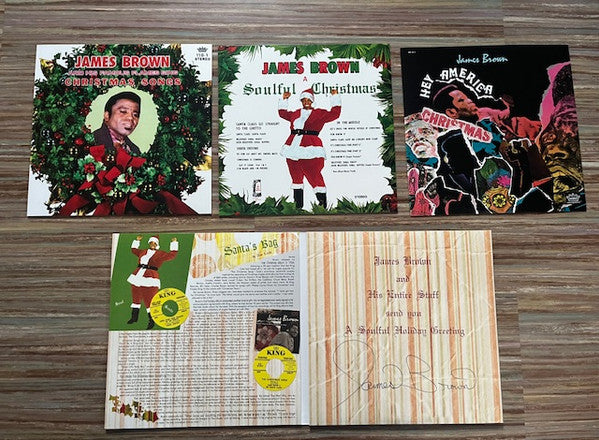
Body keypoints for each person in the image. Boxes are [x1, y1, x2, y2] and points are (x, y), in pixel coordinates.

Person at [279, 87, 341, 209]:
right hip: (292, 147)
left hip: (311, 146)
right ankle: (297, 206)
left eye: (308, 100)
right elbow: (283, 114)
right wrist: (284, 99)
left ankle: (322, 206)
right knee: (295, 175)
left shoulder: (319, 113)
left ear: (312, 101)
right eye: (303, 100)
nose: (306, 102)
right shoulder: (296, 113)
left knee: (314, 174)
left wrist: (335, 97)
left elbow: (335, 114)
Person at [126, 235, 178, 329]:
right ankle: (134, 317)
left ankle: (152, 320)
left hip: (150, 276)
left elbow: (172, 255)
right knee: (136, 296)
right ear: (149, 243)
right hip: (137, 275)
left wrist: (174, 243)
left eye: (155, 243)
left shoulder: (160, 254)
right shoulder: (143, 252)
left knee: (149, 299)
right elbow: (134, 250)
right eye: (151, 243)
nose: (153, 244)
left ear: (157, 244)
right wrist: (137, 241)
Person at [93, 91, 142, 155]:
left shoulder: (135, 150)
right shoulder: (93, 141)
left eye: (135, 115)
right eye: (123, 111)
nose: (130, 118)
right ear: (107, 116)